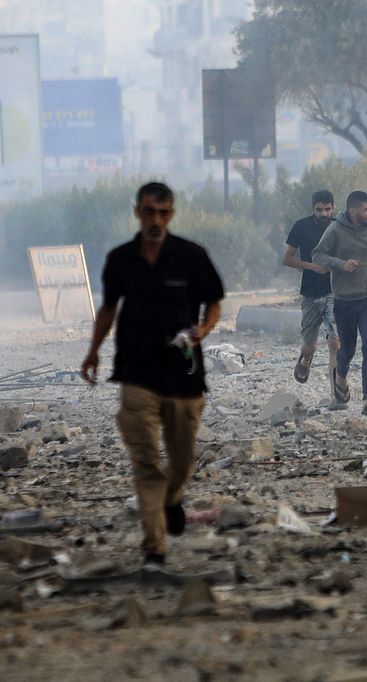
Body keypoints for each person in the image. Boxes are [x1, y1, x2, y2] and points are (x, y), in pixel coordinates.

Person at [80, 182, 224, 568]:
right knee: (145, 463)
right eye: (148, 211)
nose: (155, 220)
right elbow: (109, 309)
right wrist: (93, 352)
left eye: (162, 213)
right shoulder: (121, 259)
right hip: (136, 375)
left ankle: (174, 497)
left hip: (184, 378)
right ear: (137, 213)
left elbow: (214, 303)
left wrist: (204, 330)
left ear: (171, 215)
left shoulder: (192, 256)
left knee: (181, 462)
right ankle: (154, 549)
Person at [312, 190, 367, 415]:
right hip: (344, 300)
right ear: (353, 211)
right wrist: (340, 264)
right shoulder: (335, 230)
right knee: (347, 350)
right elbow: (317, 255)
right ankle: (340, 377)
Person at [283, 190, 340, 397]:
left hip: (335, 292)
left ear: (333, 208)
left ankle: (336, 394)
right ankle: (305, 359)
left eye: (327, 209)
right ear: (313, 208)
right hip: (310, 293)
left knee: (334, 342)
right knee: (309, 345)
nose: (323, 213)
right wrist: (312, 266)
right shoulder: (301, 226)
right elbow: (287, 258)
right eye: (319, 209)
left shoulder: (340, 227)